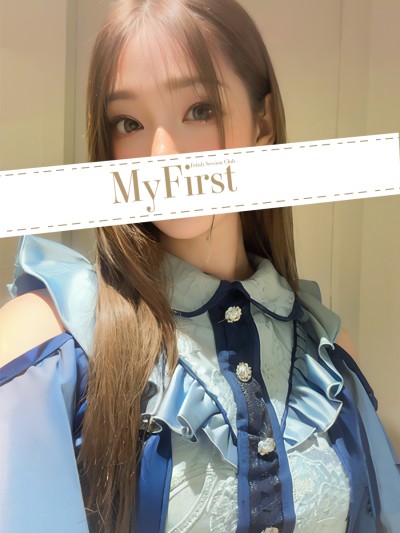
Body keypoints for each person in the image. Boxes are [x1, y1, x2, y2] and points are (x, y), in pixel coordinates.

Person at [0, 0, 399, 532]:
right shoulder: (48, 343)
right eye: (130, 122)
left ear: (262, 122)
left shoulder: (327, 354)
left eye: (199, 110)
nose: (163, 155)